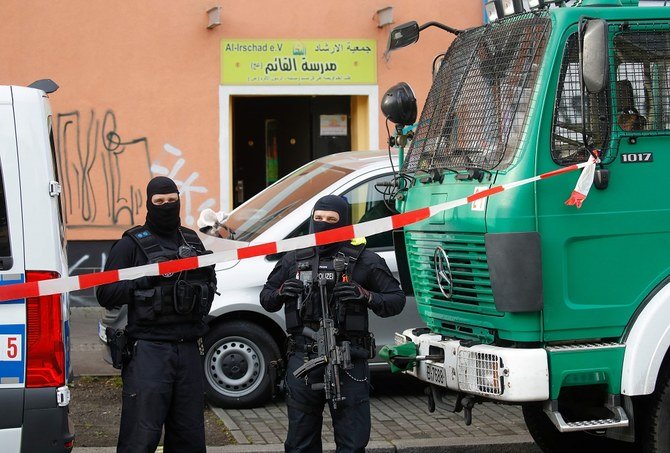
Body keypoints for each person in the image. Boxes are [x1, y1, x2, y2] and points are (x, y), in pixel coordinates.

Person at [260, 194, 406, 453]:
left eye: (331, 220)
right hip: (304, 358)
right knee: (299, 442)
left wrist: (365, 295)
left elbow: (396, 300)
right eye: (318, 219)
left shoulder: (364, 260)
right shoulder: (294, 258)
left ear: (345, 222)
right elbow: (267, 299)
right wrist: (282, 291)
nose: (323, 224)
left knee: (352, 441)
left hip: (348, 359)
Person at [96, 176, 217, 453]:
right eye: (159, 202)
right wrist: (144, 280)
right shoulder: (131, 245)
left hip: (188, 350)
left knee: (189, 437)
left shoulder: (191, 240)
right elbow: (105, 293)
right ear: (148, 203)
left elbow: (209, 283)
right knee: (141, 436)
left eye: (172, 201)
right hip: (149, 352)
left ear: (179, 201)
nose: (166, 206)